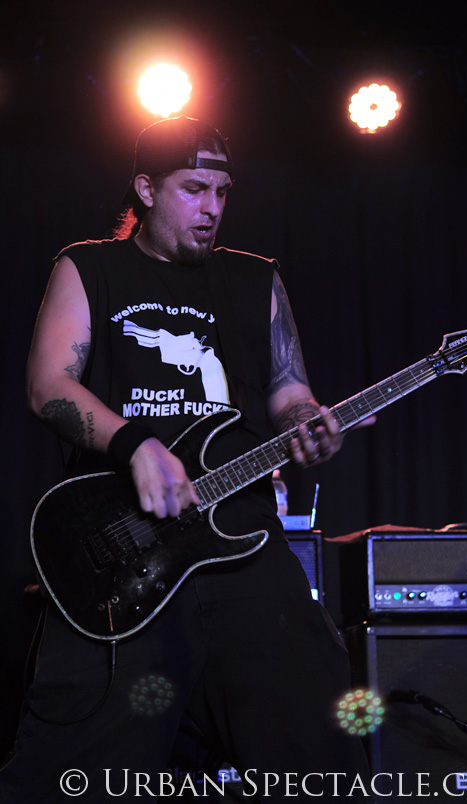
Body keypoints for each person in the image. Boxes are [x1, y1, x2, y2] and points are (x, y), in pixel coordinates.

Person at [0, 116, 372, 802]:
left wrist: (309, 425)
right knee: (67, 776)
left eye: (222, 192)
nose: (212, 208)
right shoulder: (88, 267)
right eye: (194, 189)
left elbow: (290, 394)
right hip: (123, 553)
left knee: (319, 756)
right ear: (146, 189)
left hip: (244, 545)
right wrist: (135, 444)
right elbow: (48, 385)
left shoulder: (256, 280)